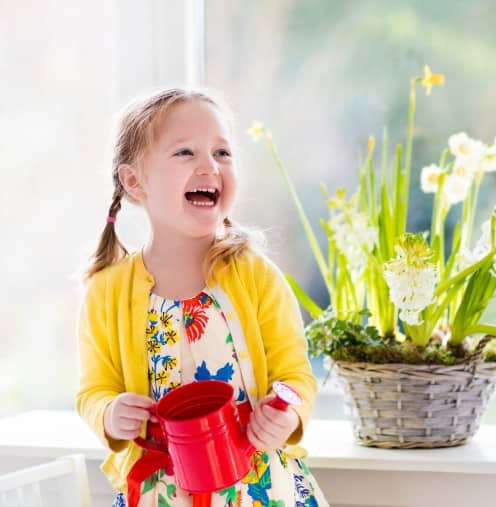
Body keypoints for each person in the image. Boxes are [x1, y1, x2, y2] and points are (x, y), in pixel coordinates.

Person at [76, 88, 328, 507]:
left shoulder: (256, 275)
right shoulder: (106, 292)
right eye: (185, 153)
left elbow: (296, 375)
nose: (209, 166)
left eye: (222, 153)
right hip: (162, 489)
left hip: (261, 486)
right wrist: (109, 412)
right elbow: (93, 390)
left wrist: (286, 414)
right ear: (135, 180)